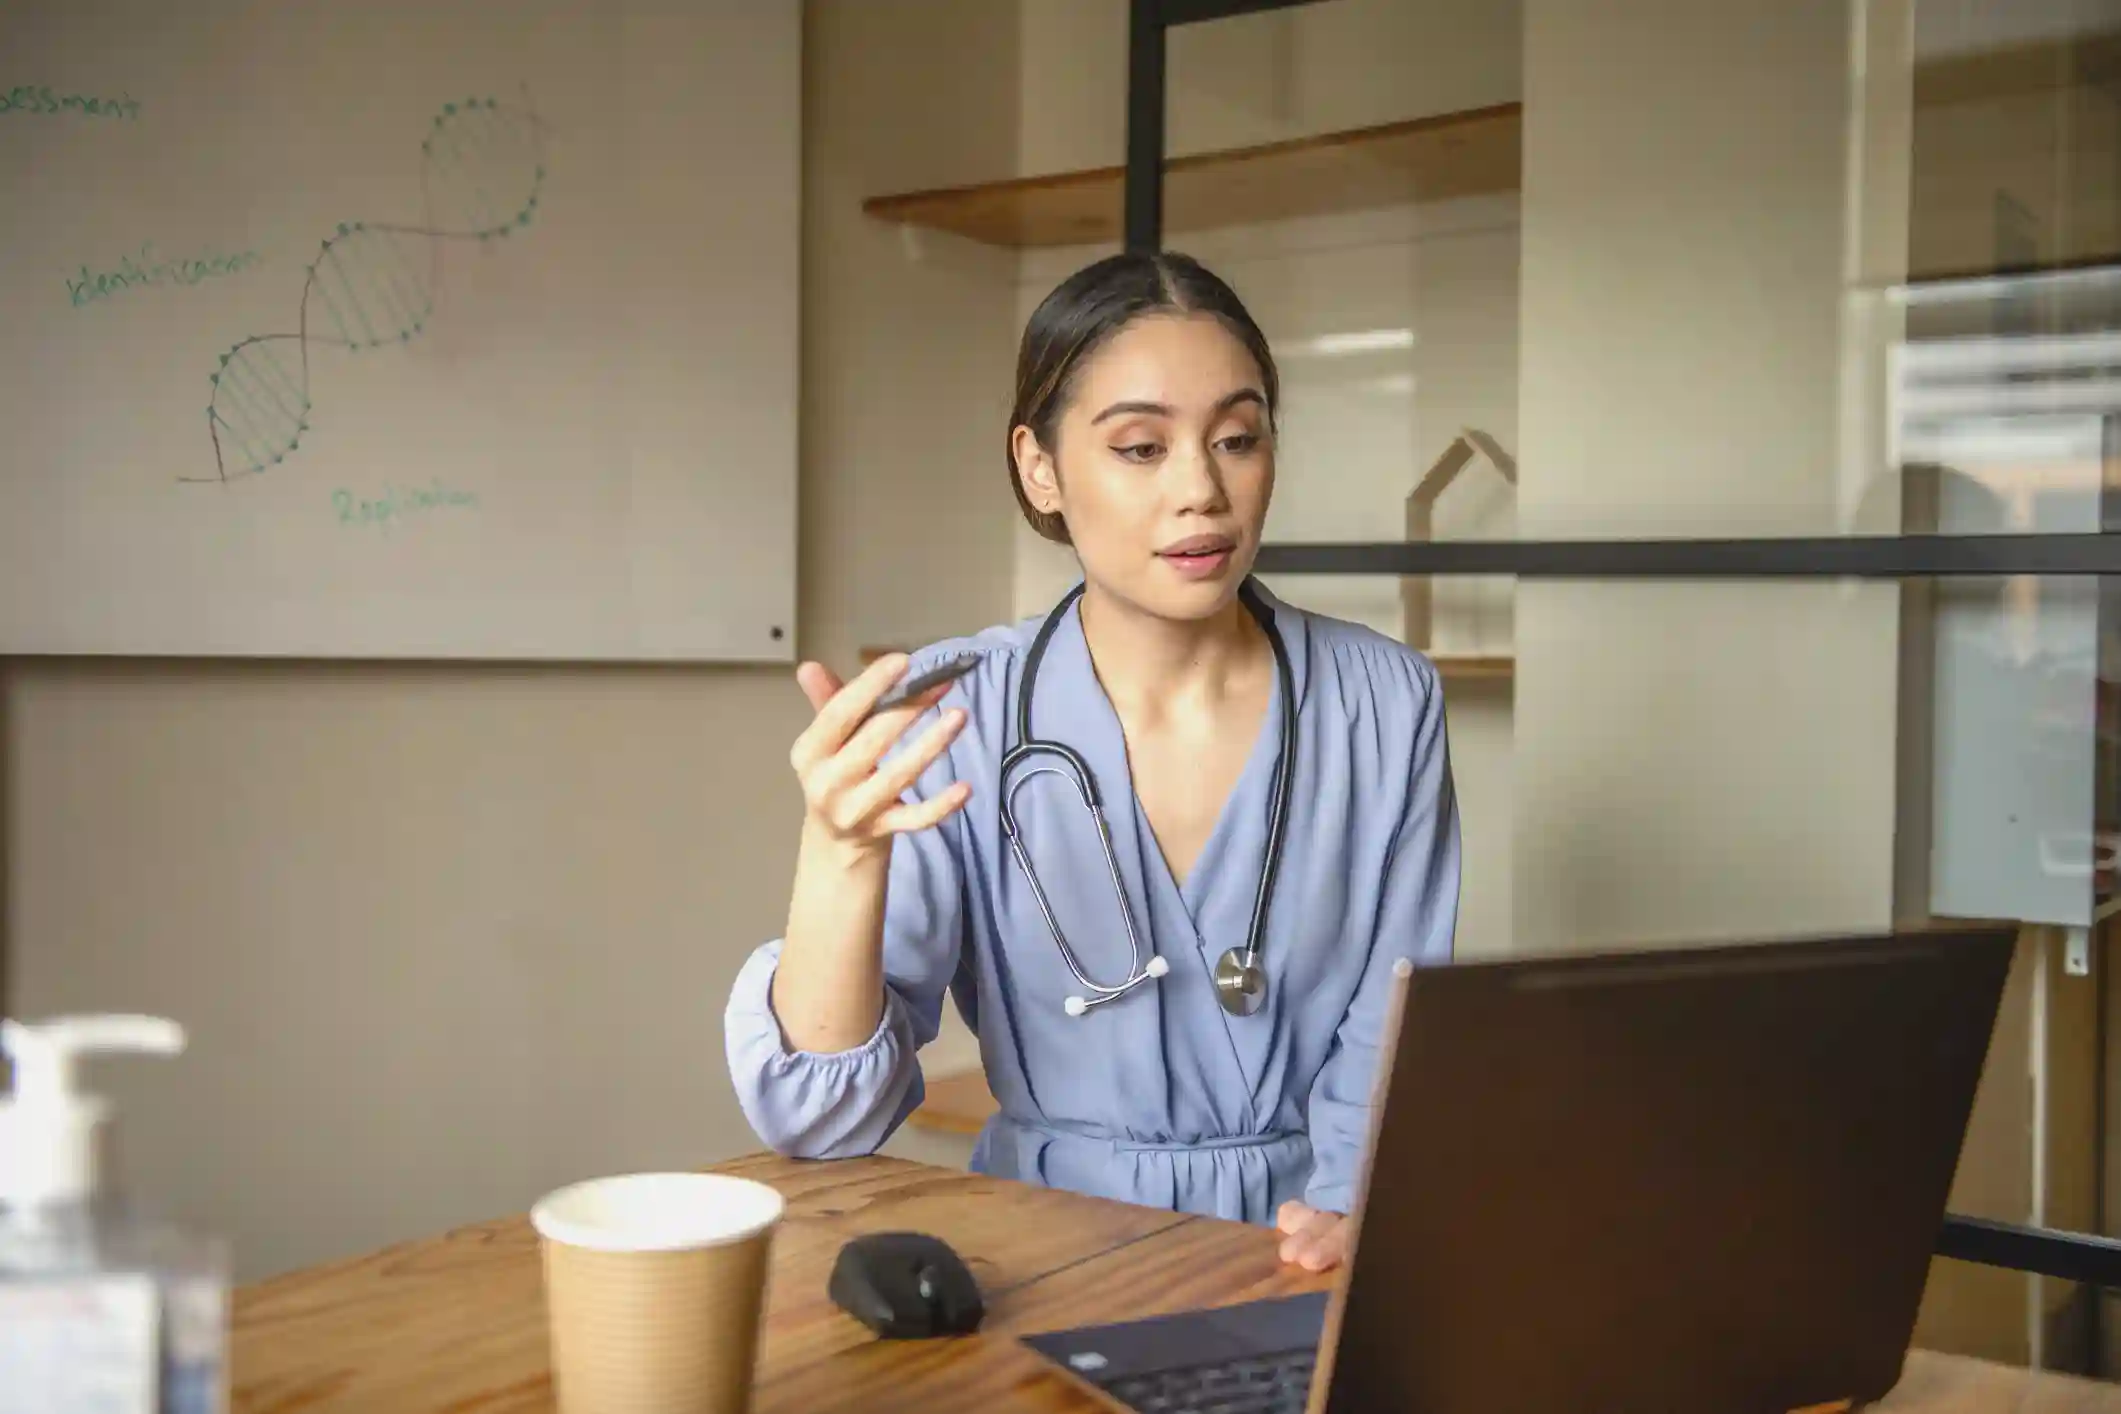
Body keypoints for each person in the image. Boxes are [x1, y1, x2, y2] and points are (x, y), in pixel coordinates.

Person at [724, 250, 1461, 1273]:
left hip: (1301, 1249)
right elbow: (822, 1119)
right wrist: (840, 850)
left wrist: (1349, 1216)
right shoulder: (959, 711)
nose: (1203, 490)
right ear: (1040, 467)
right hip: (1043, 1252)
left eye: (1238, 438)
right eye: (1141, 447)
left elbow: (1392, 1026)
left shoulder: (1385, 702)